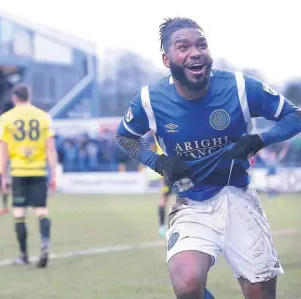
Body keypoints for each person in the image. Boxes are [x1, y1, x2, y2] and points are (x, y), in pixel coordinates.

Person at [116, 17, 301, 299]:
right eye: (183, 47)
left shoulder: (239, 87)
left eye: (202, 44)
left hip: (239, 196)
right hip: (193, 202)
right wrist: (159, 162)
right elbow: (125, 136)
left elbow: (294, 116)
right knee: (187, 285)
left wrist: (258, 140)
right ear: (167, 59)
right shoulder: (149, 100)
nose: (195, 52)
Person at [0, 84, 58, 267]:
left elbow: (3, 150)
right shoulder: (43, 117)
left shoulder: (6, 118)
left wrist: (3, 175)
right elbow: (51, 149)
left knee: (19, 213)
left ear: (14, 98)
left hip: (18, 171)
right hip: (39, 170)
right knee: (41, 211)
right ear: (29, 96)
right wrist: (54, 174)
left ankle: (23, 255)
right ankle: (45, 244)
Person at [153, 136, 173, 237]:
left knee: (188, 198)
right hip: (167, 171)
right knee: (163, 198)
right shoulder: (159, 132)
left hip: (180, 168)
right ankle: (161, 226)